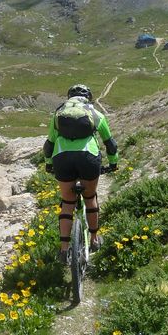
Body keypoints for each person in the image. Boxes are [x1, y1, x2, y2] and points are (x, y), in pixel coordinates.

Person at [43, 83, 118, 264]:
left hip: (62, 159)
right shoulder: (96, 114)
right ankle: (94, 240)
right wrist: (113, 164)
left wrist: (49, 164)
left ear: (69, 98)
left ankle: (63, 250)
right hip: (88, 158)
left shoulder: (58, 115)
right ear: (88, 98)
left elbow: (49, 145)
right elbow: (110, 144)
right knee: (90, 197)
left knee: (68, 203)